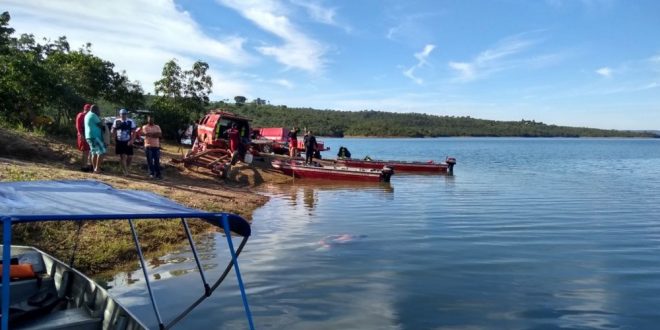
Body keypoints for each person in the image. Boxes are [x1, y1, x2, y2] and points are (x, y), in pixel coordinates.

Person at [111, 109, 136, 175]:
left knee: (130, 156)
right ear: (120, 114)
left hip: (128, 140)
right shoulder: (117, 121)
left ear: (126, 114)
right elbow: (113, 130)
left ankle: (126, 168)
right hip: (119, 140)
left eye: (124, 114)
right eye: (122, 114)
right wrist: (113, 138)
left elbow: (134, 132)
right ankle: (125, 171)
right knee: (122, 156)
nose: (123, 115)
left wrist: (132, 140)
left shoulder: (130, 121)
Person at [84, 104, 106, 174]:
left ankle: (95, 169)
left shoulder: (87, 115)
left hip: (88, 136)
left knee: (94, 152)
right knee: (102, 151)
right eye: (98, 110)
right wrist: (102, 122)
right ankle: (97, 169)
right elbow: (100, 125)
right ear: (95, 110)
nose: (99, 112)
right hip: (95, 136)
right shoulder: (93, 115)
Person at [141, 115, 162, 179]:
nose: (151, 120)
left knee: (157, 161)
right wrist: (155, 134)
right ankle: (151, 174)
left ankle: (158, 174)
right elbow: (146, 134)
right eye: (150, 119)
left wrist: (151, 134)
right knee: (150, 161)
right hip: (148, 146)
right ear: (147, 120)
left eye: (152, 119)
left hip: (156, 146)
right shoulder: (145, 127)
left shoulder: (157, 126)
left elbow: (159, 135)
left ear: (154, 120)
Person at [75, 103, 92, 171]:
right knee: (85, 150)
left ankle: (88, 165)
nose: (87, 111)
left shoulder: (88, 116)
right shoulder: (80, 115)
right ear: (84, 109)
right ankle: (83, 166)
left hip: (87, 135)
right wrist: (81, 135)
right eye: (87, 109)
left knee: (88, 151)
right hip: (82, 135)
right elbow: (78, 126)